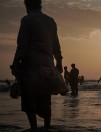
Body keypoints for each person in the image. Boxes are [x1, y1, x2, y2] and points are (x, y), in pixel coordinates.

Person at [10, 0, 63, 131]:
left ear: (27, 5)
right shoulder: (51, 21)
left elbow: (22, 45)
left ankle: (34, 129)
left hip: (31, 66)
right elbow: (56, 45)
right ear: (40, 5)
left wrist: (16, 63)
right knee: (46, 98)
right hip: (48, 66)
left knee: (29, 100)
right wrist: (59, 62)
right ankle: (47, 127)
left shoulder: (27, 20)